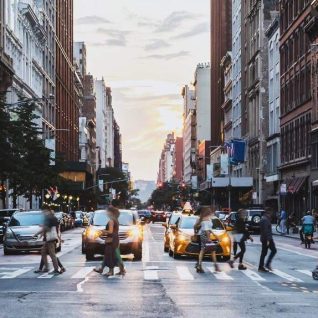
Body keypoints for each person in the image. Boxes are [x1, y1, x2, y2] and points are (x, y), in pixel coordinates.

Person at [194, 206, 220, 273]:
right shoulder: (203, 219)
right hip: (203, 235)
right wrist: (208, 238)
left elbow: (209, 229)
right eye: (209, 210)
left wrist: (215, 235)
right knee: (206, 250)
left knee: (203, 251)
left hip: (205, 235)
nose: (210, 211)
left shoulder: (208, 219)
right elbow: (206, 230)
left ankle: (199, 265)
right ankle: (214, 266)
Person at [94, 207, 119, 277]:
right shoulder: (115, 220)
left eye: (107, 212)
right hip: (115, 239)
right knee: (107, 255)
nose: (106, 213)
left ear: (111, 212)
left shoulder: (111, 221)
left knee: (109, 255)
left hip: (111, 240)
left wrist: (103, 231)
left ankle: (111, 271)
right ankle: (101, 269)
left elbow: (110, 231)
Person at [258, 207, 277, 272]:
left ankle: (261, 266)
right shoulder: (265, 219)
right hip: (267, 239)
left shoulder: (264, 218)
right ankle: (266, 264)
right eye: (271, 212)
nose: (272, 214)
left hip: (265, 238)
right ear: (268, 212)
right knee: (273, 250)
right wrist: (269, 240)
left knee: (264, 252)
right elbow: (266, 230)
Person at [112, 207, 126, 276]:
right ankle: (122, 269)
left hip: (115, 239)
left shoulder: (114, 220)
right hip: (116, 238)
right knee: (117, 255)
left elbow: (112, 231)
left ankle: (122, 270)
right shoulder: (115, 220)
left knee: (117, 255)